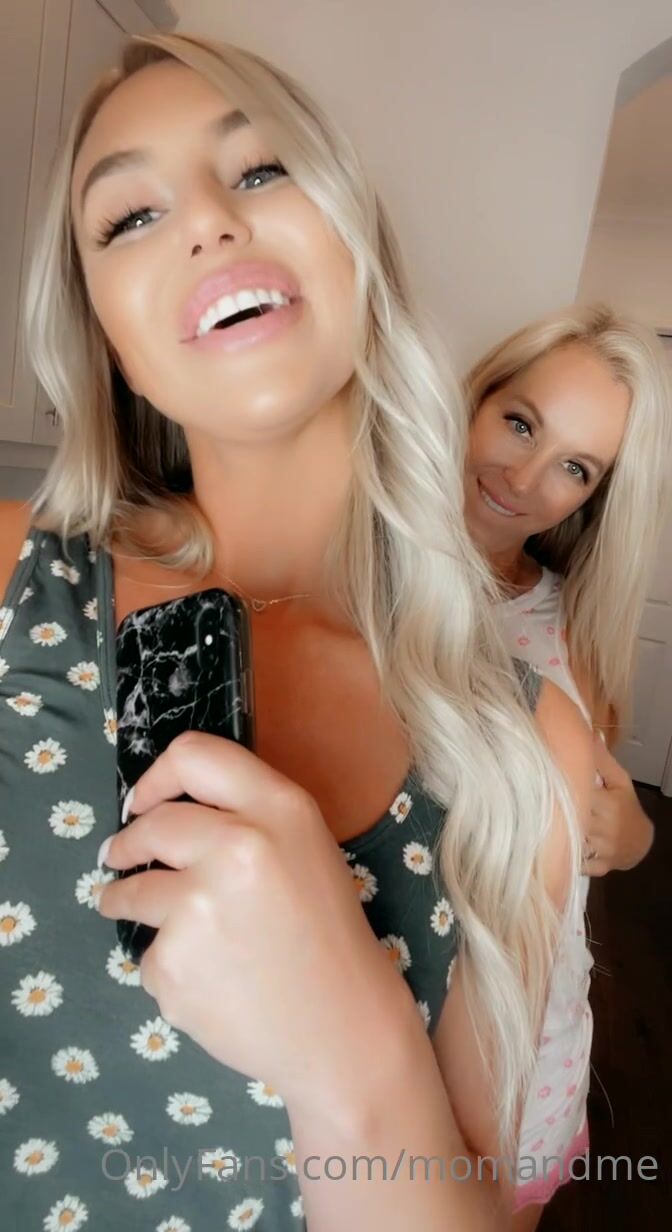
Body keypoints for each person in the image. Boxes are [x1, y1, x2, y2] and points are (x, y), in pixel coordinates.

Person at [0, 33, 593, 1230]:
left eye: (261, 169)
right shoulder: (10, 577)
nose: (209, 222)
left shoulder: (529, 747)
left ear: (356, 243)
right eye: (131, 217)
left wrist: (351, 1051)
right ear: (106, 337)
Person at [464, 303, 672, 1227]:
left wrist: (633, 839)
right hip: (368, 1001)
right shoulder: (342, 572)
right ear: (477, 399)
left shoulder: (566, 626)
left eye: (575, 467)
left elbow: (601, 807)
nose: (524, 477)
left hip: (532, 1029)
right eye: (520, 423)